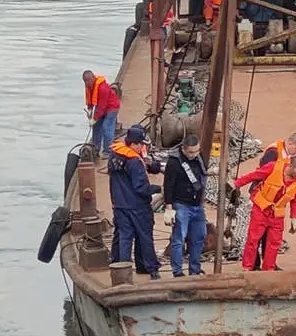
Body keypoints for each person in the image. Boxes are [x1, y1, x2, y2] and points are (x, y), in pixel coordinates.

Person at [232, 155, 296, 272]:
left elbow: (295, 199)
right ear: (291, 166)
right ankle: (247, 267)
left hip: (277, 215)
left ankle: (268, 270)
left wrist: (294, 218)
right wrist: (236, 184)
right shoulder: (273, 167)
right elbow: (254, 175)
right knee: (253, 239)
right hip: (261, 209)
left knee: (274, 244)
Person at [108, 124, 162, 278]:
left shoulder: (114, 155)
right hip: (137, 206)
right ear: (133, 144)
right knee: (144, 236)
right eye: (141, 145)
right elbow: (141, 188)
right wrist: (159, 189)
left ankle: (121, 270)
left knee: (124, 237)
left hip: (119, 204)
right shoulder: (134, 162)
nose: (143, 147)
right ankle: (150, 268)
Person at [162, 132, 208, 278]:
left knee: (199, 236)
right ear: (183, 149)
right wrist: (169, 207)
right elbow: (168, 185)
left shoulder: (198, 159)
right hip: (181, 204)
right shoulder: (174, 163)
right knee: (179, 239)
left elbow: (201, 176)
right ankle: (177, 271)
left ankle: (194, 268)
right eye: (190, 152)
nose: (193, 155)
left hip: (196, 205)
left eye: (196, 151)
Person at [82, 70, 120, 160]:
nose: (87, 83)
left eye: (88, 80)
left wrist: (94, 118)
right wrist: (90, 111)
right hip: (102, 106)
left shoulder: (102, 88)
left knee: (107, 127)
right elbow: (91, 100)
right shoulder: (89, 87)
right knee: (96, 127)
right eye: (85, 81)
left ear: (93, 78)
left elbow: (102, 107)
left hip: (111, 107)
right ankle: (96, 148)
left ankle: (107, 151)